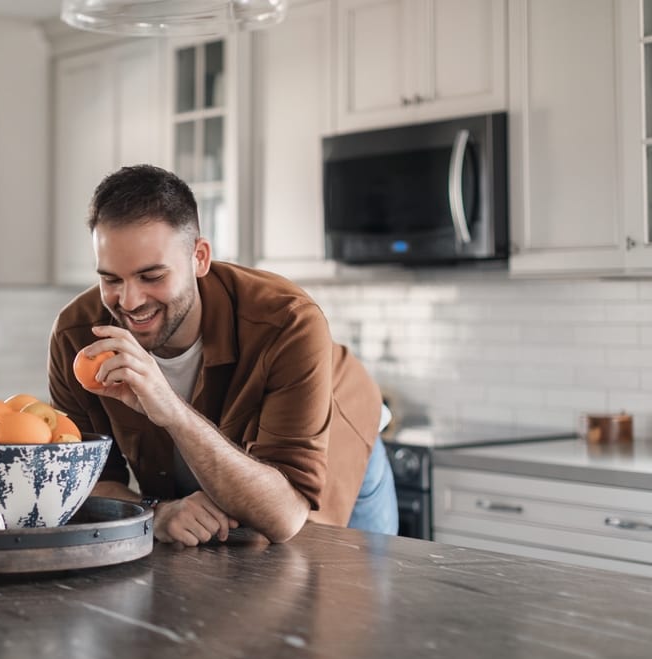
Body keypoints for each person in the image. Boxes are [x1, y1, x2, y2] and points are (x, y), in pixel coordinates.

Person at [47, 164, 397, 545]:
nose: (129, 302)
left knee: (331, 578)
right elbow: (84, 483)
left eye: (152, 277)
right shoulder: (77, 336)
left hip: (337, 442)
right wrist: (156, 513)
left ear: (199, 257)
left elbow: (285, 516)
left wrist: (172, 409)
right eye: (111, 279)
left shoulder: (288, 322)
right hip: (216, 464)